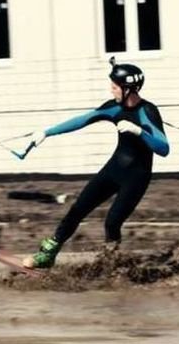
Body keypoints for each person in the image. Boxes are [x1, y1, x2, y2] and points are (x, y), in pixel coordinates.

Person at [21, 59, 170, 269]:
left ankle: (111, 263)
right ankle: (47, 255)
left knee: (112, 222)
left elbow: (164, 148)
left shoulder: (147, 111)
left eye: (115, 87)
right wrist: (46, 132)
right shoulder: (114, 108)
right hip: (114, 169)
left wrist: (139, 131)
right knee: (77, 209)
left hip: (136, 177)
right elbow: (83, 119)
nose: (111, 90)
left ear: (128, 89)